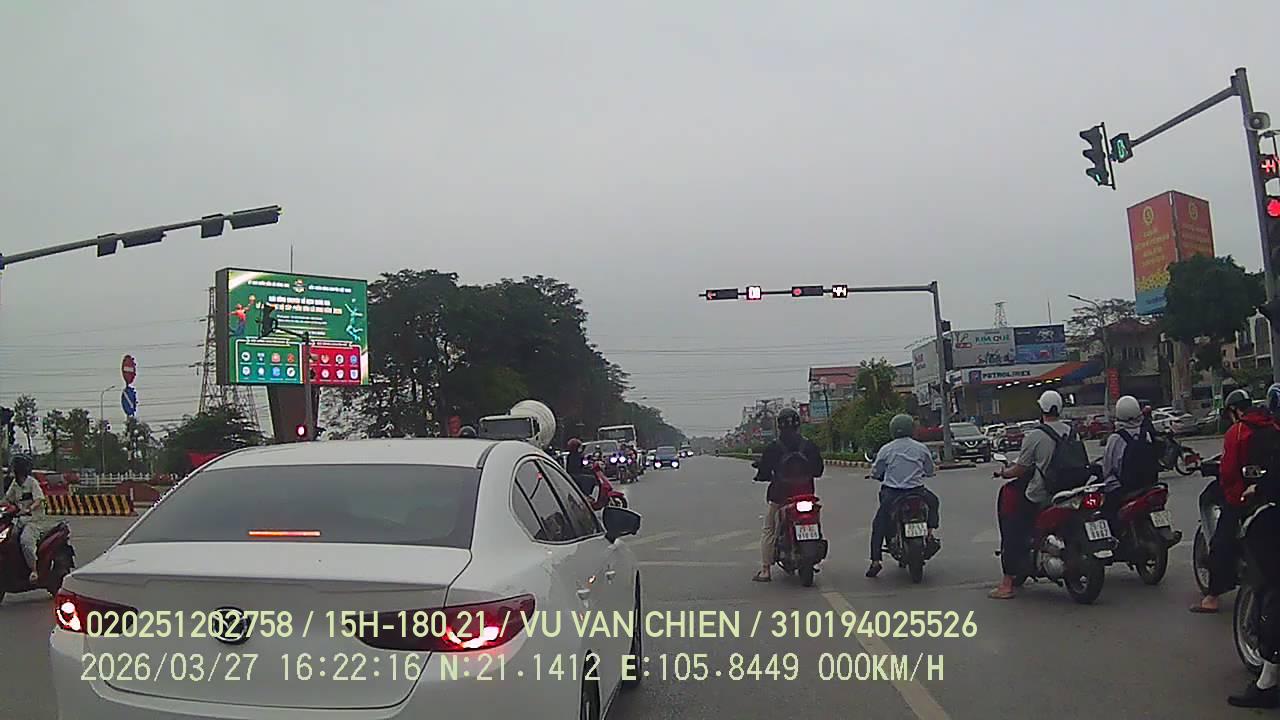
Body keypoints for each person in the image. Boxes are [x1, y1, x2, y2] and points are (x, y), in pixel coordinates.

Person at [989, 390, 1075, 600]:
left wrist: (1004, 473)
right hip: (1070, 490)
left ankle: (1007, 584)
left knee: (1012, 527)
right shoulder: (1072, 431)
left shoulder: (1035, 435)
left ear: (1041, 409)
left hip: (1042, 493)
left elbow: (1020, 469)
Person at [1228, 383, 1280, 707]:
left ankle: (1268, 681)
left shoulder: (1242, 432)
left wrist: (1255, 491)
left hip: (1262, 508)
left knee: (1274, 586)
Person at [1191, 389, 1261, 613]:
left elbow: (1228, 471)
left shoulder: (1238, 431)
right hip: (1269, 492)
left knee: (1222, 541)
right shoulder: (1272, 426)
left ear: (1234, 410)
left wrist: (1233, 495)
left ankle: (1212, 597)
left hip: (1244, 497)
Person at [752, 408, 823, 582]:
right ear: (798, 424)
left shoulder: (773, 448)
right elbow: (819, 471)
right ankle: (813, 552)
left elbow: (764, 472)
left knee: (769, 529)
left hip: (780, 496)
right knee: (815, 519)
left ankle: (765, 570)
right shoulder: (809, 446)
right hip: (806, 494)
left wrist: (762, 475)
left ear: (779, 426)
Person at [866, 414, 940, 578]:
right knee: (934, 502)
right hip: (917, 492)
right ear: (912, 429)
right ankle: (929, 532)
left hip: (893, 493)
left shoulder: (886, 449)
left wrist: (876, 475)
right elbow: (929, 470)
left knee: (879, 524)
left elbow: (877, 471)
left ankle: (875, 561)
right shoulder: (920, 448)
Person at [1100, 395, 1159, 519]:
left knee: (1105, 513)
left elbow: (1108, 469)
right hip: (1149, 485)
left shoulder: (1116, 438)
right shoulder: (1145, 434)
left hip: (1124, 489)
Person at [2, 453, 51, 584]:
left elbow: (39, 500)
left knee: (25, 541)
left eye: (15, 467)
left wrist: (29, 509)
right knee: (9, 540)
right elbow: (7, 499)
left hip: (33, 521)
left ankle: (34, 570)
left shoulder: (32, 482)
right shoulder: (15, 484)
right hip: (19, 521)